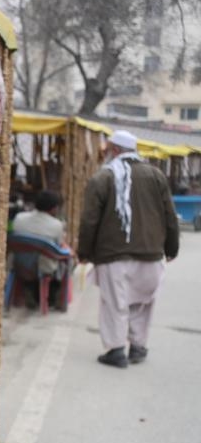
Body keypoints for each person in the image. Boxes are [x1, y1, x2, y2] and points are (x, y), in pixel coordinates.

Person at [77, 130, 180, 368]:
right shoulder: (156, 175)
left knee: (115, 304)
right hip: (151, 254)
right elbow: (170, 216)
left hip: (113, 256)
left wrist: (84, 253)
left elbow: (89, 220)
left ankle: (115, 351)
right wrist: (171, 248)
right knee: (141, 303)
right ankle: (138, 347)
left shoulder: (102, 178)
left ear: (114, 150)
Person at [12, 190, 68, 308]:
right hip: (43, 268)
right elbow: (59, 246)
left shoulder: (19, 218)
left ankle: (28, 290)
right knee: (65, 258)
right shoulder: (56, 225)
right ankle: (56, 297)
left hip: (19, 265)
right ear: (53, 208)